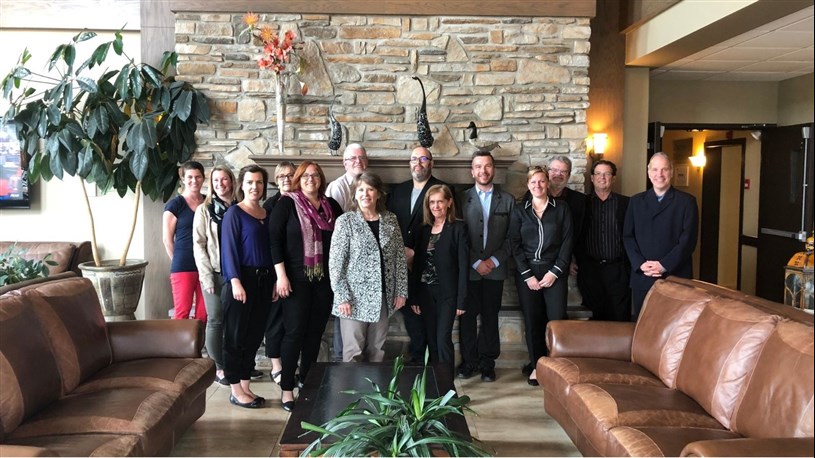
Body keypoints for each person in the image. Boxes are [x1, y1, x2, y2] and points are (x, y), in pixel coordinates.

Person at [270, 161, 342, 412]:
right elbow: (274, 241)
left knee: (314, 334)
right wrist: (281, 276)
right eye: (305, 176)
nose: (311, 179)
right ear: (298, 180)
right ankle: (287, 389)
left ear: (321, 179)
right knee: (294, 334)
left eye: (315, 175)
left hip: (324, 281)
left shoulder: (331, 206)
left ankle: (307, 382)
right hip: (295, 280)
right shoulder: (287, 204)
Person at [329, 172, 408, 362]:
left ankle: (374, 383)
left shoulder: (390, 219)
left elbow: (399, 258)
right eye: (361, 190)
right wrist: (342, 297)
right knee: (353, 352)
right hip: (353, 298)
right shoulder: (345, 221)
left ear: (378, 194)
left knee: (377, 350)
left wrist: (401, 291)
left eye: (370, 189)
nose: (365, 194)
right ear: (355, 195)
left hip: (383, 296)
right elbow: (336, 263)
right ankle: (352, 384)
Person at [509, 166, 573, 386]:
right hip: (528, 274)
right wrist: (528, 276)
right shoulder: (520, 210)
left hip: (554, 272)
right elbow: (514, 245)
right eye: (533, 182)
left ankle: (555, 366)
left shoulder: (561, 209)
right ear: (528, 185)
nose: (538, 185)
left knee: (556, 321)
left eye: (542, 181)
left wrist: (555, 272)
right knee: (533, 321)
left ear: (547, 183)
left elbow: (567, 242)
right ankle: (537, 366)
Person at [220, 164, 276, 409]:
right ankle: (235, 390)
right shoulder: (234, 213)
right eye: (250, 182)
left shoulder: (266, 214)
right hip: (241, 281)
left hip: (264, 282)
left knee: (253, 337)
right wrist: (235, 281)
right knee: (235, 337)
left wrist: (274, 281)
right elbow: (228, 250)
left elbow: (272, 250)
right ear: (241, 185)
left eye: (259, 182)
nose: (255, 186)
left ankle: (245, 386)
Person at [387, 146, 449, 364]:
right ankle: (417, 357)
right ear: (409, 163)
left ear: (431, 163)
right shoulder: (399, 191)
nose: (419, 163)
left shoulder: (441, 189)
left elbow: (447, 228)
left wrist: (416, 253)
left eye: (423, 158)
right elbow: (389, 223)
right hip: (400, 262)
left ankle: (433, 361)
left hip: (428, 264)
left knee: (429, 314)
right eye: (414, 159)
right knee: (409, 309)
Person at [458, 151, 514, 382]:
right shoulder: (460, 199)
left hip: (496, 270)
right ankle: (469, 362)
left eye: (488, 166)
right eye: (478, 166)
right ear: (472, 171)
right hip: (468, 271)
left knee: (491, 317)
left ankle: (488, 363)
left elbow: (512, 237)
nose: (483, 170)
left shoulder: (508, 200)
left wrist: (493, 261)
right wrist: (475, 261)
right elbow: (458, 236)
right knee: (467, 318)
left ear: (494, 169)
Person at [623, 152, 698, 319]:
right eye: (655, 169)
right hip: (643, 276)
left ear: (671, 172)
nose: (660, 174)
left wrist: (664, 265)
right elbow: (628, 236)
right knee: (644, 325)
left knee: (674, 327)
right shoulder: (636, 201)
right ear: (648, 172)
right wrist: (640, 264)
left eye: (664, 169)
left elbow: (688, 241)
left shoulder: (687, 202)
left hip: (676, 277)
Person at [409, 184, 468, 370]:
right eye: (432, 202)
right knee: (432, 339)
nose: (436, 206)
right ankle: (436, 381)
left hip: (447, 294)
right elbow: (416, 266)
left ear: (449, 203)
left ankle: (447, 384)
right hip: (425, 293)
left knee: (443, 339)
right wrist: (414, 297)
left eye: (440, 202)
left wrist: (461, 300)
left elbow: (463, 266)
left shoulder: (458, 228)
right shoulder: (422, 229)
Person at [193, 165, 236, 386]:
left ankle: (236, 363)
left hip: (236, 274)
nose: (220, 184)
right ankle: (218, 368)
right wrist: (207, 276)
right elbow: (199, 245)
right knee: (216, 319)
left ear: (232, 181)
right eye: (216, 180)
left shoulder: (240, 206)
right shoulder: (204, 210)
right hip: (214, 273)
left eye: (224, 179)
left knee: (235, 321)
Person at [325, 144, 368, 362]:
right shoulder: (337, 188)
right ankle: (342, 361)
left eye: (361, 157)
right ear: (344, 163)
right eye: (352, 158)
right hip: (345, 262)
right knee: (345, 312)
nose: (357, 161)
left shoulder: (369, 184)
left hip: (364, 265)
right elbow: (336, 228)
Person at [575, 160, 631, 321]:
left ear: (613, 178)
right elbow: (574, 234)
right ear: (592, 178)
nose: (602, 177)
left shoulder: (627, 203)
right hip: (590, 270)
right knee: (594, 317)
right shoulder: (581, 203)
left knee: (620, 316)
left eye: (607, 174)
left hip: (618, 270)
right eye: (598, 174)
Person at [261, 160, 296, 384]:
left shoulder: (302, 202)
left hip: (298, 271)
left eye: (290, 175)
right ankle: (276, 365)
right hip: (276, 272)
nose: (286, 179)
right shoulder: (269, 206)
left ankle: (293, 364)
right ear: (276, 180)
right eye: (282, 176)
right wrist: (276, 278)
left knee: (293, 322)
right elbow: (268, 243)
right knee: (275, 321)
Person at [163, 161, 207, 323]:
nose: (194, 180)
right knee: (182, 313)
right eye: (190, 177)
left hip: (206, 265)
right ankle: (178, 342)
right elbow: (167, 239)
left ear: (203, 178)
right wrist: (177, 260)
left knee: (204, 313)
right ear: (183, 179)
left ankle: (199, 340)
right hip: (183, 265)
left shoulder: (208, 202)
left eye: (198, 177)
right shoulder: (175, 205)